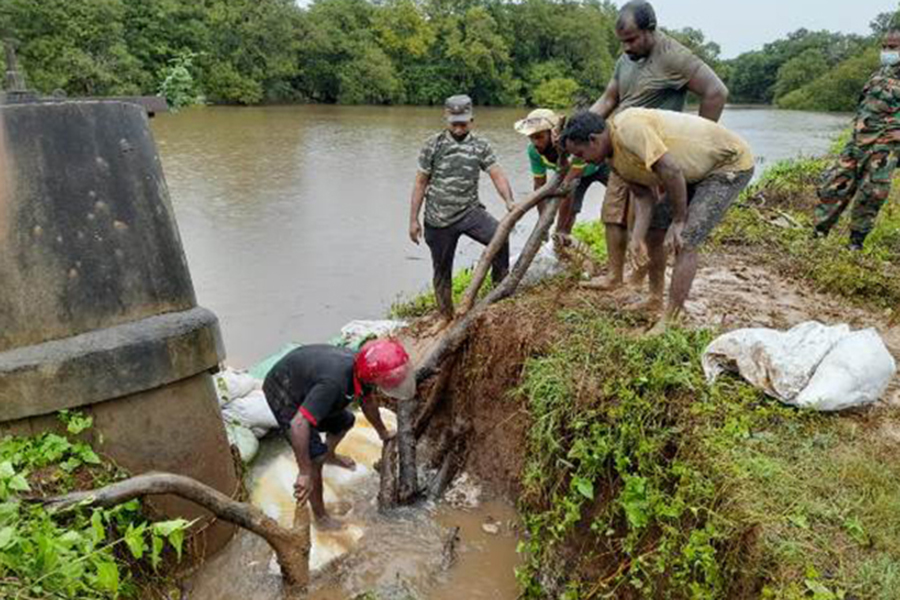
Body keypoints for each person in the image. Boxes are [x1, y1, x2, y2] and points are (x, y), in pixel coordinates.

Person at [561, 109, 754, 330]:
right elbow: (644, 197)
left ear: (593, 140)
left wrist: (680, 220)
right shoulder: (613, 159)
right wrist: (637, 238)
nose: (580, 160)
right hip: (691, 172)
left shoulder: (629, 129)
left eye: (580, 153)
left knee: (686, 239)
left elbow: (671, 170)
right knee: (655, 228)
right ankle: (654, 298)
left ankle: (671, 318)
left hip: (727, 165)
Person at [588, 0, 728, 295]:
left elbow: (716, 92)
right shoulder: (626, 58)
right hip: (621, 144)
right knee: (613, 212)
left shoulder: (674, 56)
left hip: (657, 152)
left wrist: (701, 141)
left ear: (650, 29)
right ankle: (615, 276)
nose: (626, 47)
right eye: (622, 41)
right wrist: (583, 123)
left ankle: (642, 281)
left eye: (632, 39)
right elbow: (609, 98)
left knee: (650, 222)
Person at [262, 339, 412, 528]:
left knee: (345, 421)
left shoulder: (362, 370)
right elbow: (298, 423)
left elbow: (368, 401)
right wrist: (304, 472)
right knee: (314, 457)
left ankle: (329, 456)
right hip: (283, 389)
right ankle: (321, 518)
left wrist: (383, 432)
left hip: (308, 382)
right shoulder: (335, 384)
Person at [409, 94, 516, 324]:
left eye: (463, 123)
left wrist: (509, 200)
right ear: (446, 117)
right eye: (454, 122)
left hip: (469, 212)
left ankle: (499, 295)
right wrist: (413, 220)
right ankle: (445, 316)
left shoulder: (481, 145)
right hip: (438, 218)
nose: (458, 128)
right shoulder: (433, 144)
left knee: (500, 237)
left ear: (472, 120)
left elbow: (496, 172)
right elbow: (420, 182)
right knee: (442, 270)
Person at [813, 27, 900, 250]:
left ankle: (855, 244)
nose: (886, 51)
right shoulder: (880, 73)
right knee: (834, 185)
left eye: (892, 47)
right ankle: (817, 234)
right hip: (857, 142)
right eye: (884, 47)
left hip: (884, 146)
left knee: (871, 195)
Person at [514, 108, 610, 237]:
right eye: (531, 138)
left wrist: (563, 187)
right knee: (570, 213)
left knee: (622, 193)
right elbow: (539, 185)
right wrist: (543, 221)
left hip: (597, 165)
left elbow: (575, 172)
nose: (535, 142)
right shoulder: (533, 151)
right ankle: (562, 237)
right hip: (573, 175)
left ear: (553, 133)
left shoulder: (571, 143)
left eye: (539, 137)